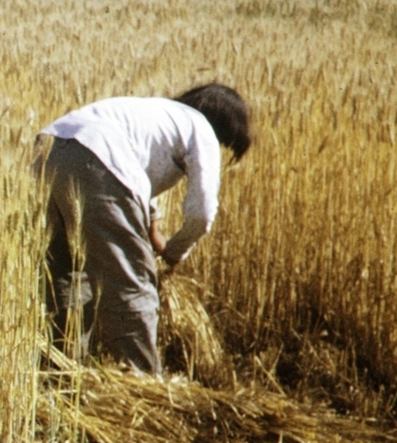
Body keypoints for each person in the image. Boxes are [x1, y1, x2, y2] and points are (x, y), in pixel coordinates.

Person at [38, 85, 251, 375]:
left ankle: (62, 377)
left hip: (46, 151)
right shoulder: (200, 128)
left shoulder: (155, 113)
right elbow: (202, 214)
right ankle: (145, 385)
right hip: (98, 159)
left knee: (67, 275)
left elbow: (139, 173)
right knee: (131, 286)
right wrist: (175, 253)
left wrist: (153, 232)